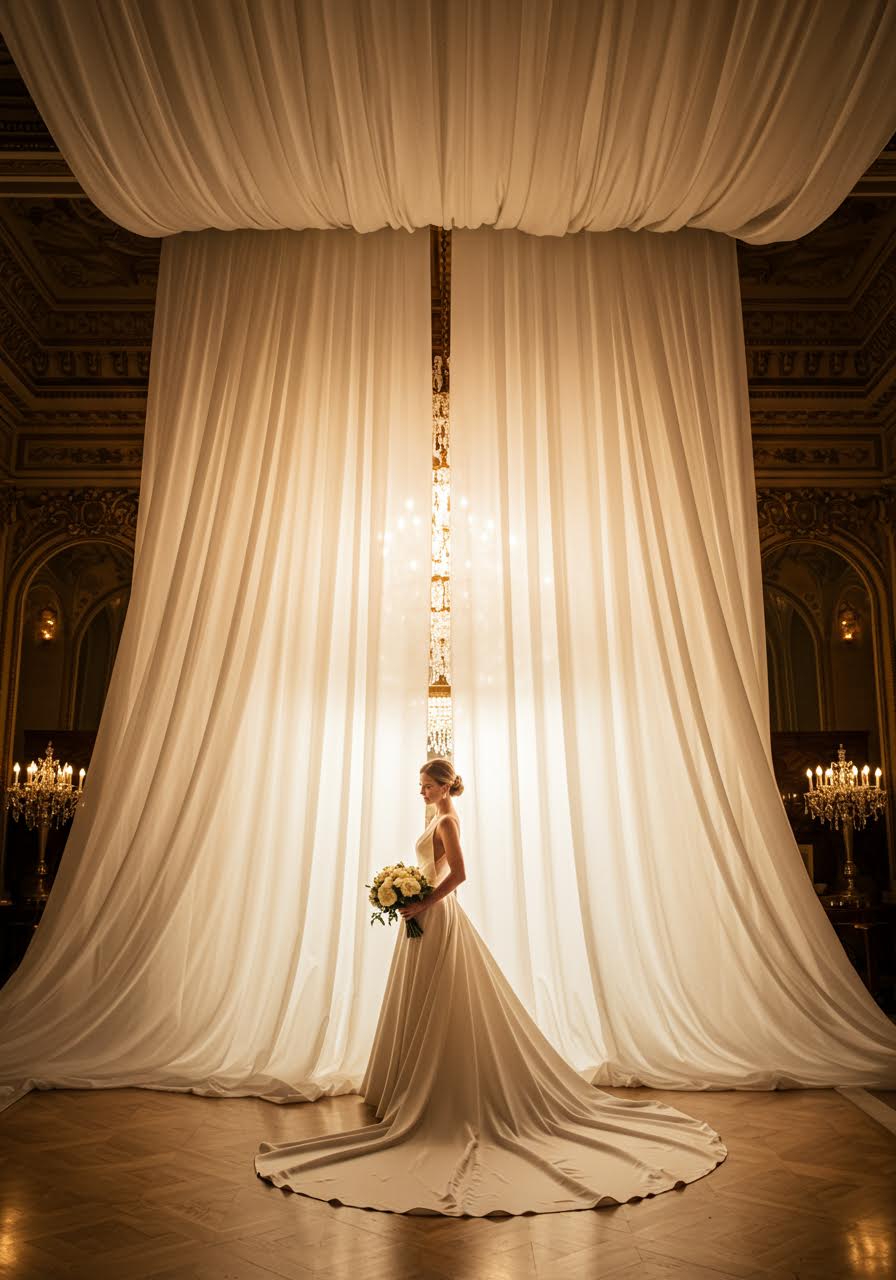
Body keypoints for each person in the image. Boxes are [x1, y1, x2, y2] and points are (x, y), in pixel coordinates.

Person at [255, 758, 727, 1216]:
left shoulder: (447, 821)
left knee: (443, 1001)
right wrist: (407, 893)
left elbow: (459, 875)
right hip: (425, 917)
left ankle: (439, 1090)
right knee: (420, 998)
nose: (421, 791)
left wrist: (422, 903)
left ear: (444, 786)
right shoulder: (436, 818)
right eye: (420, 785)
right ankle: (406, 1086)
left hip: (435, 917)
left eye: (426, 785)